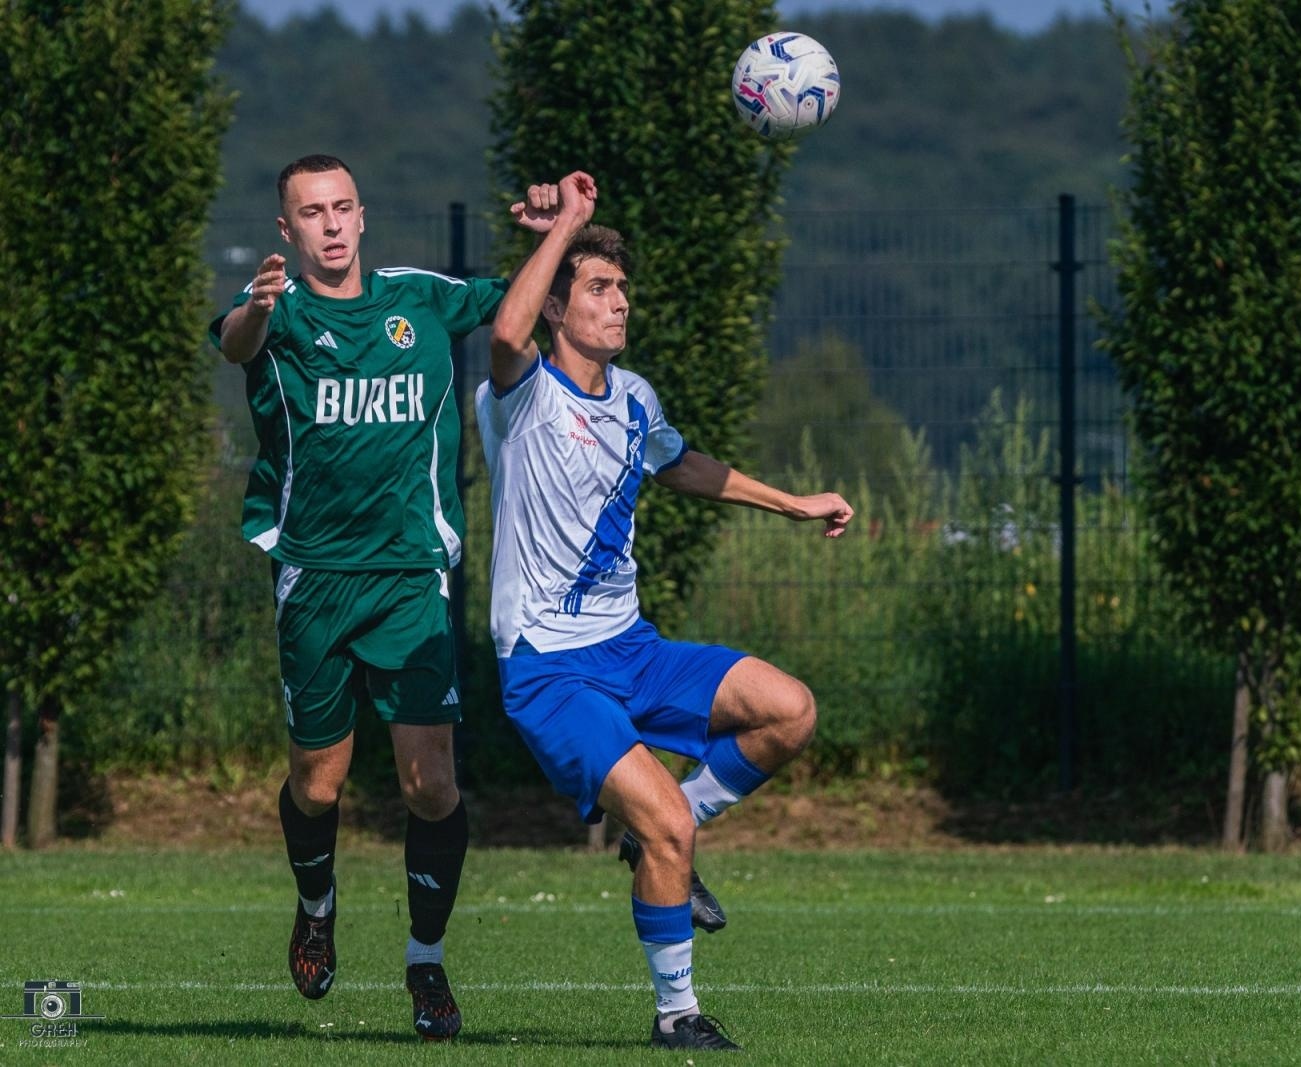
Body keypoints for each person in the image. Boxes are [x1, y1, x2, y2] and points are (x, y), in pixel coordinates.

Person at [476, 171, 853, 1051]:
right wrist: (565, 226)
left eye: (622, 288)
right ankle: (676, 1014)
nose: (619, 303)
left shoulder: (635, 398)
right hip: (550, 667)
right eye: (598, 288)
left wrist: (792, 503)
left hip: (632, 648)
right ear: (559, 305)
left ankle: (664, 828)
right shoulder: (521, 394)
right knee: (668, 829)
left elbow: (682, 466)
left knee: (790, 710)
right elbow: (503, 332)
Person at [210, 154, 541, 1041]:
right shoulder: (276, 310)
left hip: (409, 577)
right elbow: (234, 341)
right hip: (314, 578)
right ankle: (316, 905)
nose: (330, 224)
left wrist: (558, 234)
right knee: (318, 784)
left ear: (361, 217)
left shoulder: (419, 299)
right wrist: (258, 306)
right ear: (287, 229)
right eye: (312, 212)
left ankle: (426, 963)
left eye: (342, 207)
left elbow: (519, 303)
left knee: (431, 784)